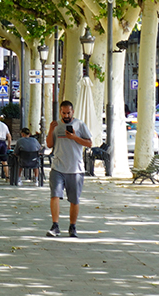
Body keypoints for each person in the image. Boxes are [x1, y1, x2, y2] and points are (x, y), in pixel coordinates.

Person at [46, 100, 93, 238]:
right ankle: (55, 226)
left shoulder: (80, 124)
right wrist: (50, 130)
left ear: (72, 112)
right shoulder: (56, 125)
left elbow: (89, 143)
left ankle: (73, 227)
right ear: (60, 112)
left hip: (75, 169)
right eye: (64, 113)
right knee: (54, 195)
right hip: (58, 167)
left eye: (68, 112)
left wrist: (74, 137)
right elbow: (49, 145)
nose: (66, 115)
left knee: (74, 200)